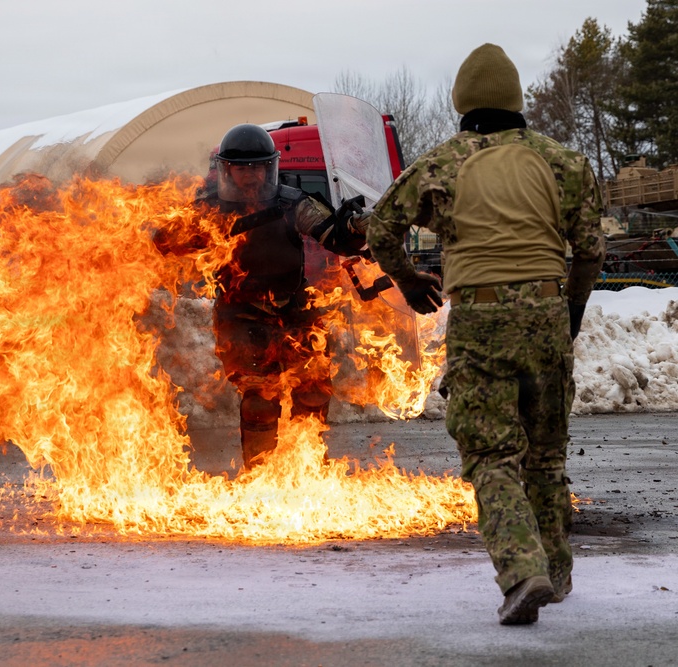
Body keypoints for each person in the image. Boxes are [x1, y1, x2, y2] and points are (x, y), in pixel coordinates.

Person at [365, 43, 606, 625]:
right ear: (517, 100)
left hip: (482, 318)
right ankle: (558, 568)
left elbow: (380, 228)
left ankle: (523, 573)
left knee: (493, 454)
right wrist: (569, 311)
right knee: (546, 455)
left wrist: (409, 281)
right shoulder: (563, 162)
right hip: (548, 317)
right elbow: (592, 250)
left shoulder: (441, 164)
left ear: (461, 103)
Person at [155, 123, 368, 469]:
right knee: (259, 397)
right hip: (239, 314)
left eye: (257, 167)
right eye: (242, 169)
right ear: (227, 170)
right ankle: (263, 476)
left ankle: (306, 469)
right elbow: (165, 242)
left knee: (313, 386)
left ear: (271, 167)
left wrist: (356, 228)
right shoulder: (208, 210)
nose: (251, 176)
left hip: (296, 308)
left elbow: (330, 232)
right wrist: (172, 236)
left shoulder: (292, 203)